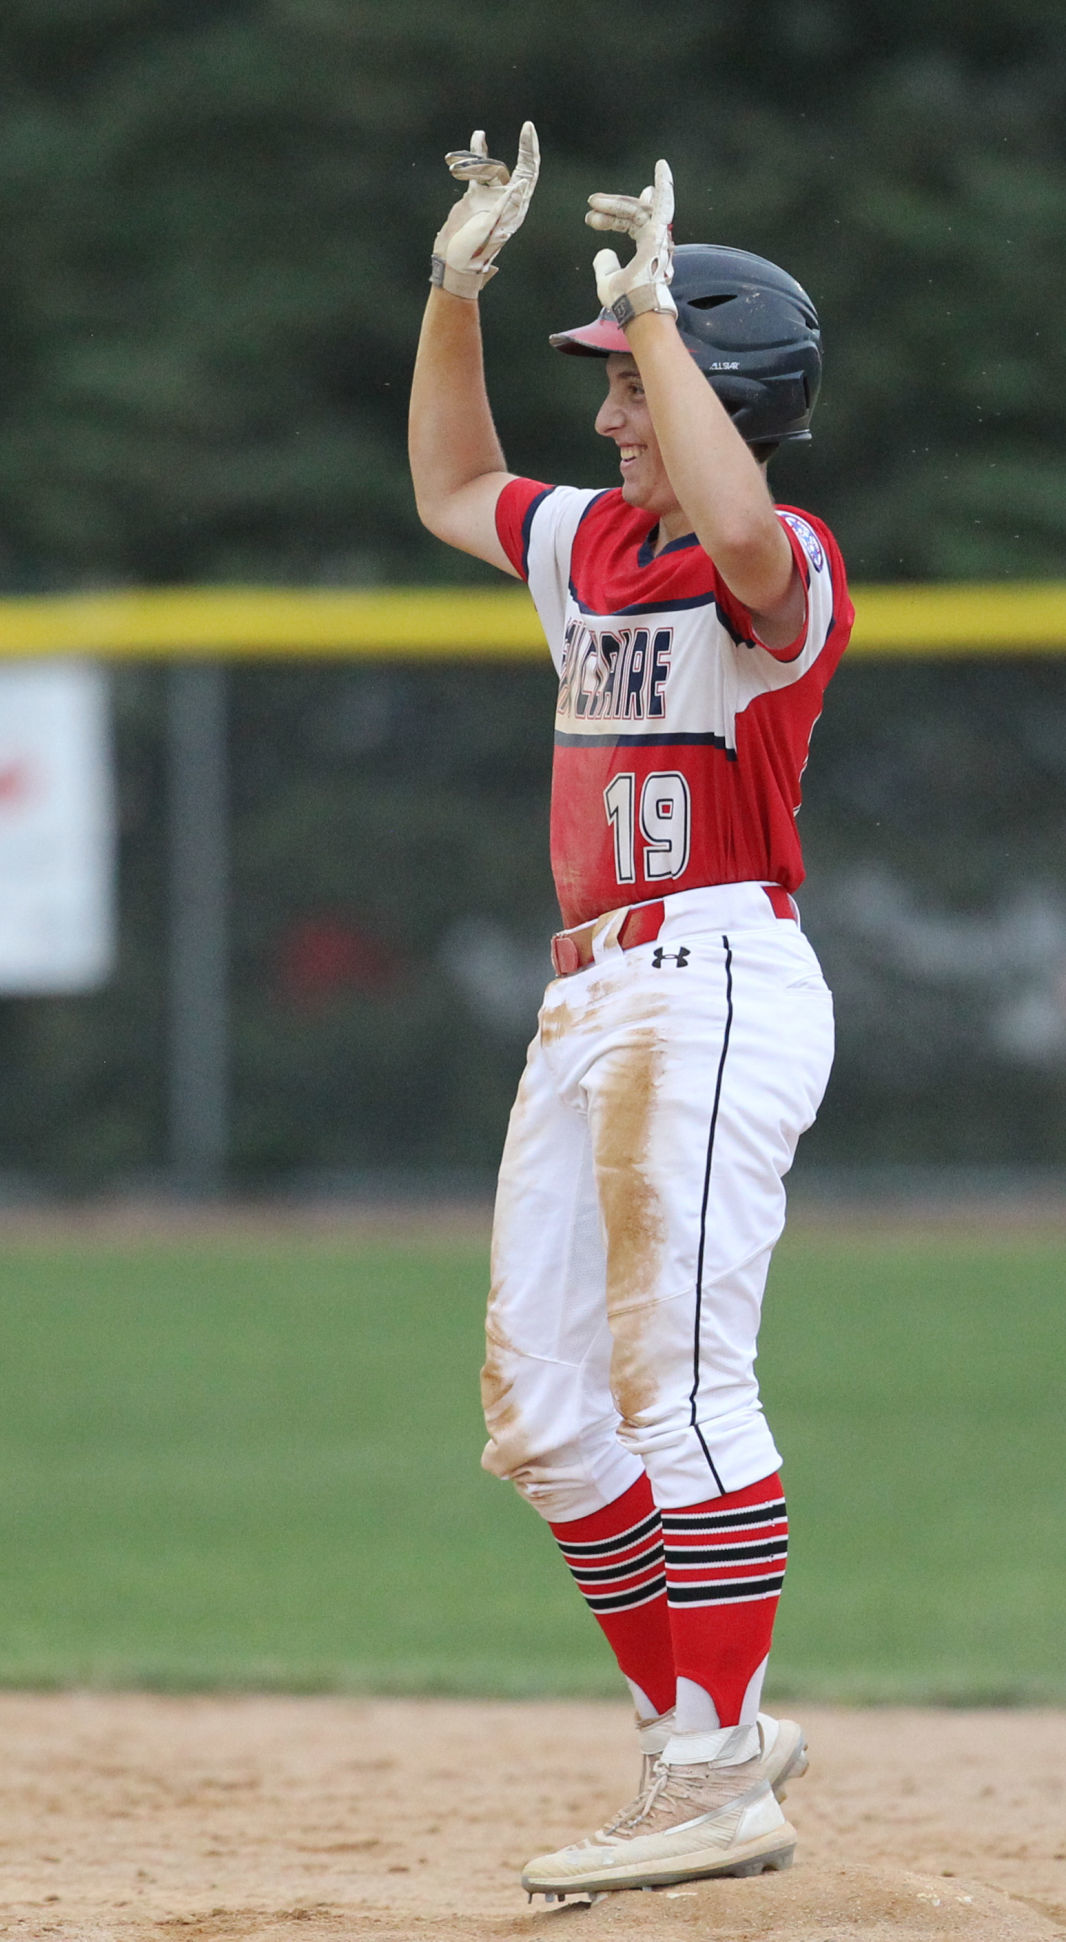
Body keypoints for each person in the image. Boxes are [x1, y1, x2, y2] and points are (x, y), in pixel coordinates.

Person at [408, 123, 854, 1900]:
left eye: (632, 384)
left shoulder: (784, 562)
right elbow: (452, 490)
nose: (605, 418)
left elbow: (737, 523)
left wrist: (662, 319)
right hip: (586, 996)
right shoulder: (587, 550)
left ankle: (713, 1766)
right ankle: (703, 1738)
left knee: (679, 1389)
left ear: (710, 398)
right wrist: (455, 290)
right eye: (604, 383)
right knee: (545, 1419)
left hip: (717, 978)